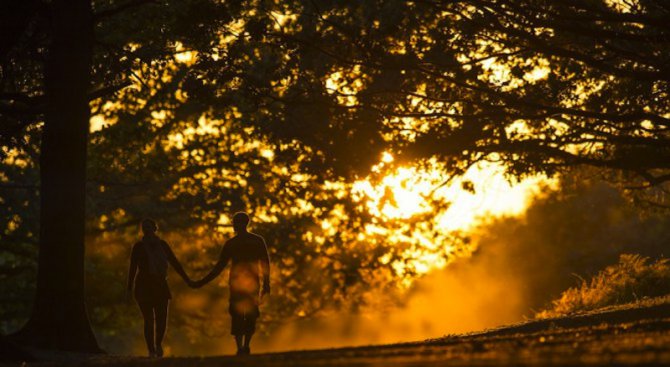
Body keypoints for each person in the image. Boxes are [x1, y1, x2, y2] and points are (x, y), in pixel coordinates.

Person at [192, 212, 271, 356]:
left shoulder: (248, 242)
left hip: (248, 283)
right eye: (235, 222)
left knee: (248, 314)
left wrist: (266, 284)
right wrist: (202, 282)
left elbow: (264, 262)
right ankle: (241, 347)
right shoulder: (240, 242)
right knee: (239, 314)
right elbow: (220, 266)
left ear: (244, 223)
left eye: (237, 222)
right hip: (240, 284)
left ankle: (244, 346)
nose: (235, 225)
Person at [127, 219, 193, 357]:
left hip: (160, 284)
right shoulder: (138, 247)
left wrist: (187, 280)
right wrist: (129, 288)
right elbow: (132, 268)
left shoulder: (163, 245)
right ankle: (151, 349)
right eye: (143, 227)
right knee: (149, 320)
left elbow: (175, 263)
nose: (146, 229)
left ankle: (158, 344)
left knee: (162, 319)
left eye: (148, 226)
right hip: (143, 285)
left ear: (154, 229)